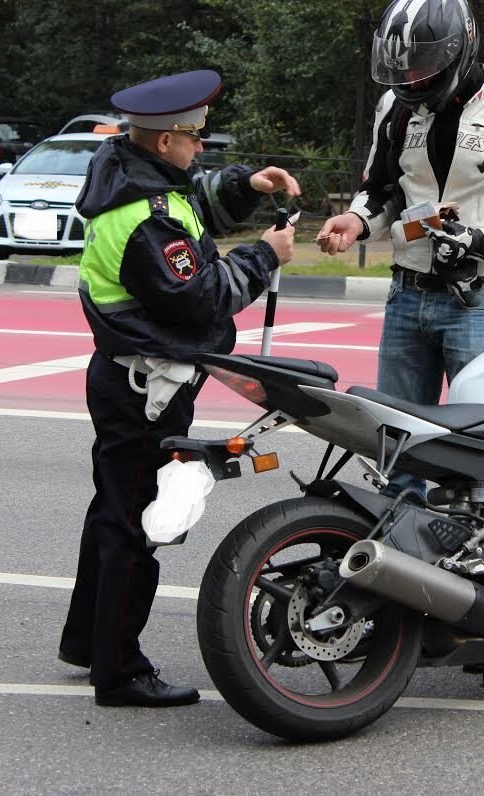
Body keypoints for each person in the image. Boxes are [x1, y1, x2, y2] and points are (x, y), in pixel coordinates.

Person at [57, 69, 302, 707]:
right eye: (194, 138)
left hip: (126, 377)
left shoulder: (129, 171)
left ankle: (90, 641)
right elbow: (199, 298)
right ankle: (120, 672)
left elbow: (194, 200)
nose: (201, 148)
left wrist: (247, 186)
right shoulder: (144, 218)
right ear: (163, 141)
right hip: (148, 390)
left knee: (111, 513)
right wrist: (264, 255)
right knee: (137, 525)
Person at [315, 0, 484, 496]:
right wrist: (354, 221)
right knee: (394, 449)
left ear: (458, 49)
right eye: (402, 66)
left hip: (478, 300)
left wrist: (479, 241)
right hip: (405, 297)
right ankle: (396, 561)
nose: (411, 78)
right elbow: (382, 191)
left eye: (421, 65)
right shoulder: (393, 107)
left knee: (479, 450)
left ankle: (474, 562)